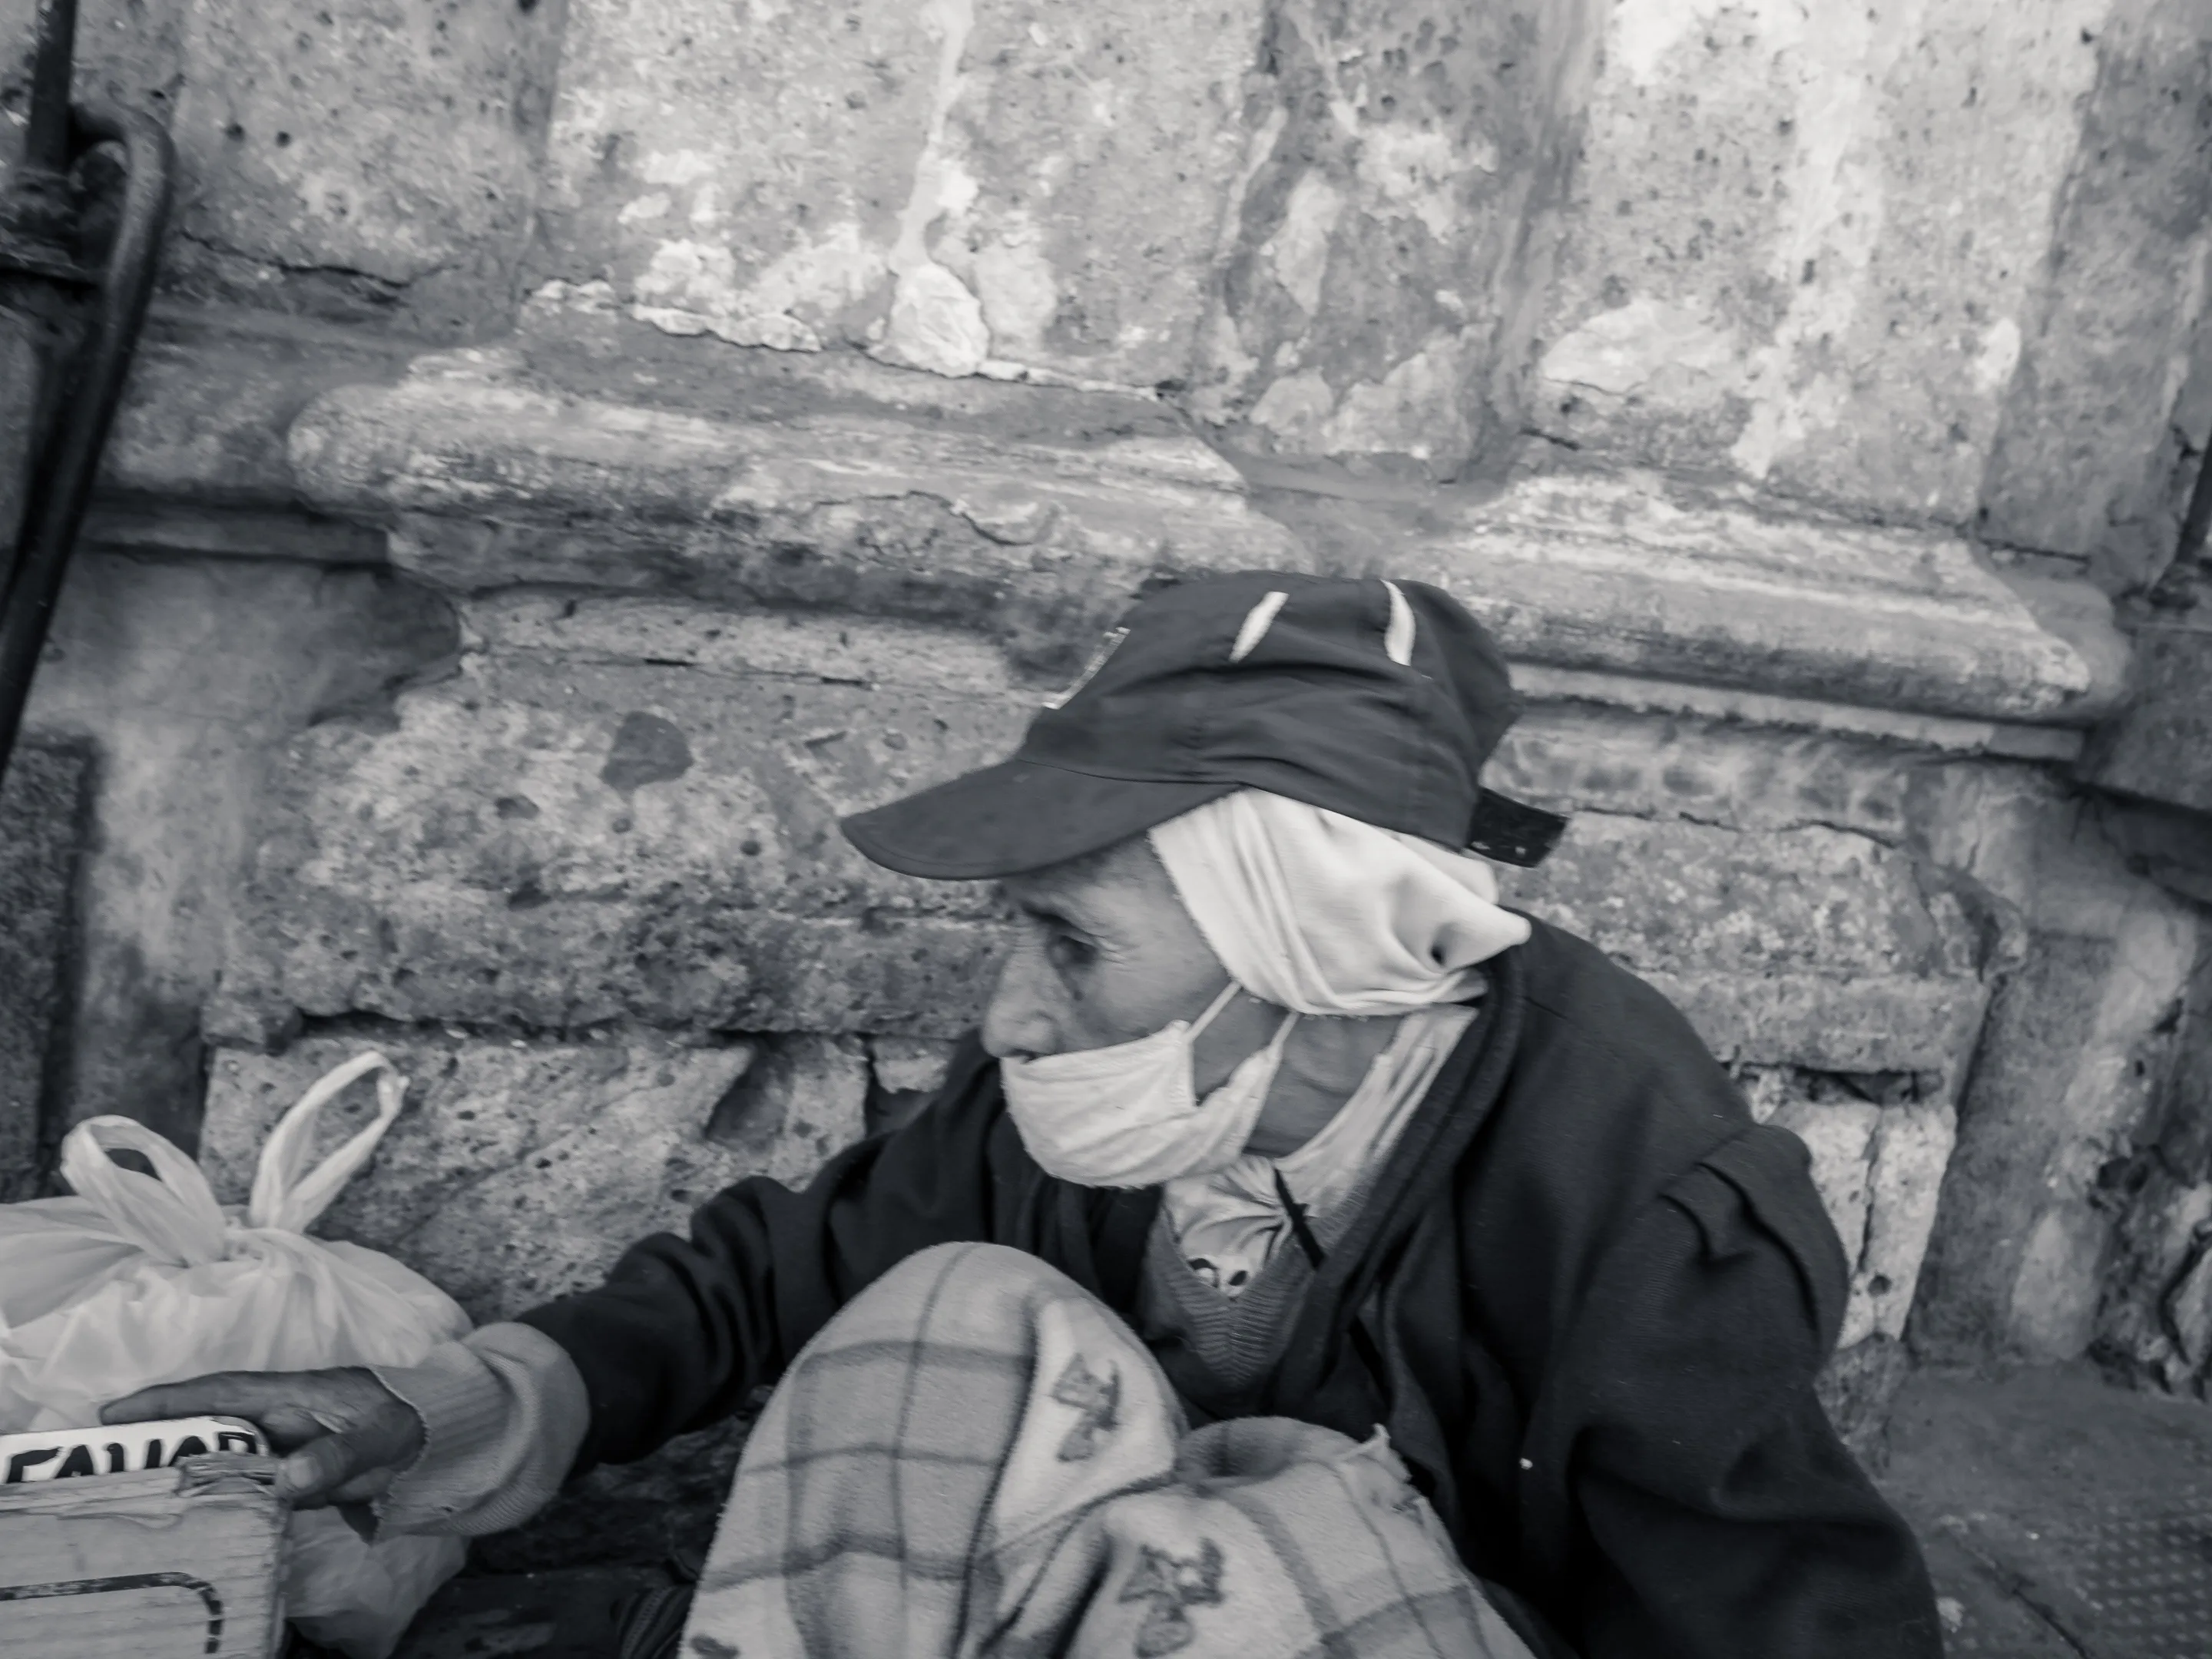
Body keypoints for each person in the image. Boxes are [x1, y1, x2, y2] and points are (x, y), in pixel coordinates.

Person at [109, 574, 1942, 1657]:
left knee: (1267, 1526)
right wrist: (436, 1411)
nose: (1006, 1010)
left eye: (1070, 941)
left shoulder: (1636, 1186)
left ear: (1307, 959)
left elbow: (1789, 1606)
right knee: (952, 1319)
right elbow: (782, 1278)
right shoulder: (1083, 1095)